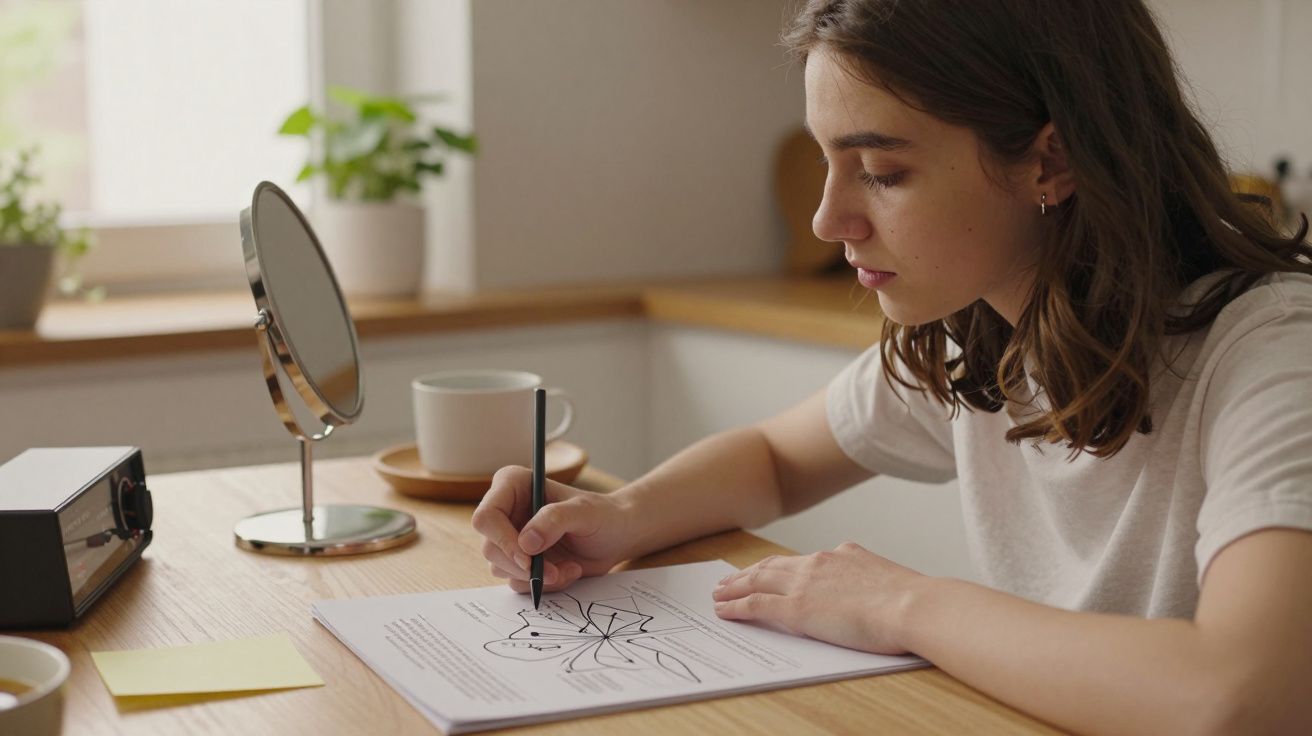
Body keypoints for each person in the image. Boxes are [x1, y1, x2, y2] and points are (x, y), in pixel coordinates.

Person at [472, 0, 1312, 732]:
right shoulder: (979, 335)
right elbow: (773, 460)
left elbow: (1244, 698)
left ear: (1050, 163)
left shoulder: (1273, 356)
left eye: (881, 171)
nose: (827, 219)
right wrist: (621, 513)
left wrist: (902, 602)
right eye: (829, 160)